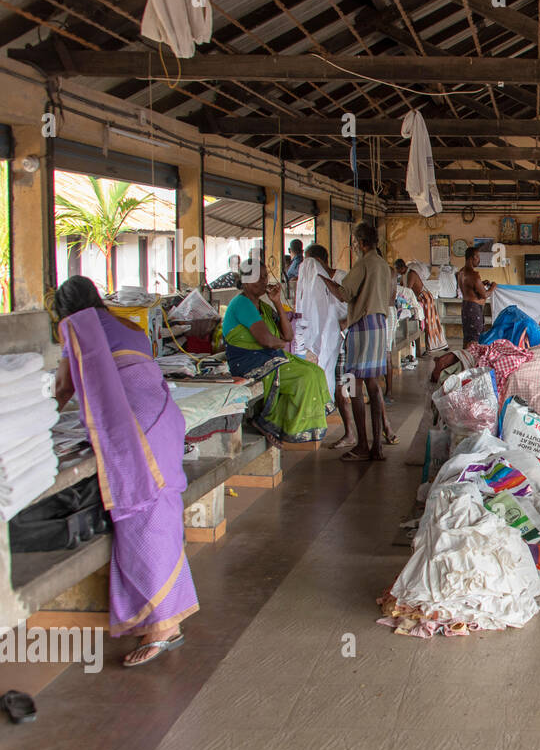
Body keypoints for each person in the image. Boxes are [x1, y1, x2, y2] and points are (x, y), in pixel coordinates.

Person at [52, 276, 198, 668]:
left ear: (64, 312)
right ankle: (169, 618)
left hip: (137, 432)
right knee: (161, 515)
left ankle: (163, 628)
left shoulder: (78, 329)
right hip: (163, 418)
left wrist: (43, 421)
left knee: (142, 520)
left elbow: (64, 387)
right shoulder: (125, 324)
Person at [221, 261, 331, 445]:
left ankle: (272, 422)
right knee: (304, 377)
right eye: (260, 277)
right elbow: (267, 341)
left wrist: (277, 302)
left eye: (266, 276)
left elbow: (288, 335)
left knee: (317, 373)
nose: (265, 281)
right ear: (247, 281)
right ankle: (269, 422)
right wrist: (277, 344)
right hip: (250, 363)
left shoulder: (262, 307)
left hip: (268, 358)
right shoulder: (242, 303)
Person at [321, 222, 392, 461]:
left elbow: (344, 294)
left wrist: (324, 279)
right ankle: (377, 447)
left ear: (361, 243)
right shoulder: (383, 265)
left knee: (354, 383)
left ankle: (362, 444)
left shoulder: (363, 264)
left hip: (362, 326)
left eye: (354, 243)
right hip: (379, 326)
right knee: (373, 383)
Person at [299, 244, 358, 452]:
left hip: (346, 339)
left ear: (320, 261)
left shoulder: (342, 277)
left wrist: (345, 323)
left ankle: (352, 433)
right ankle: (346, 430)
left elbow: (358, 305)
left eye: (310, 263)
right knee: (333, 382)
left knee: (345, 386)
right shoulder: (312, 281)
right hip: (328, 342)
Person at [394, 258, 445, 355]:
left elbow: (407, 290)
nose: (397, 272)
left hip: (425, 298)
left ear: (401, 267)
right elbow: (401, 287)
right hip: (420, 298)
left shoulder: (411, 274)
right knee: (425, 323)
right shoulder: (404, 275)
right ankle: (428, 347)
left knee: (429, 322)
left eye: (397, 270)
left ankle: (431, 347)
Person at [457, 245, 494, 347]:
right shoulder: (474, 274)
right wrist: (493, 287)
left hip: (465, 306)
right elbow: (484, 294)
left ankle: (465, 358)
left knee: (468, 336)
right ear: (471, 258)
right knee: (475, 337)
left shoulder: (461, 272)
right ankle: (473, 360)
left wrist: (481, 283)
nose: (479, 260)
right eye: (477, 257)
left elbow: (470, 287)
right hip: (474, 308)